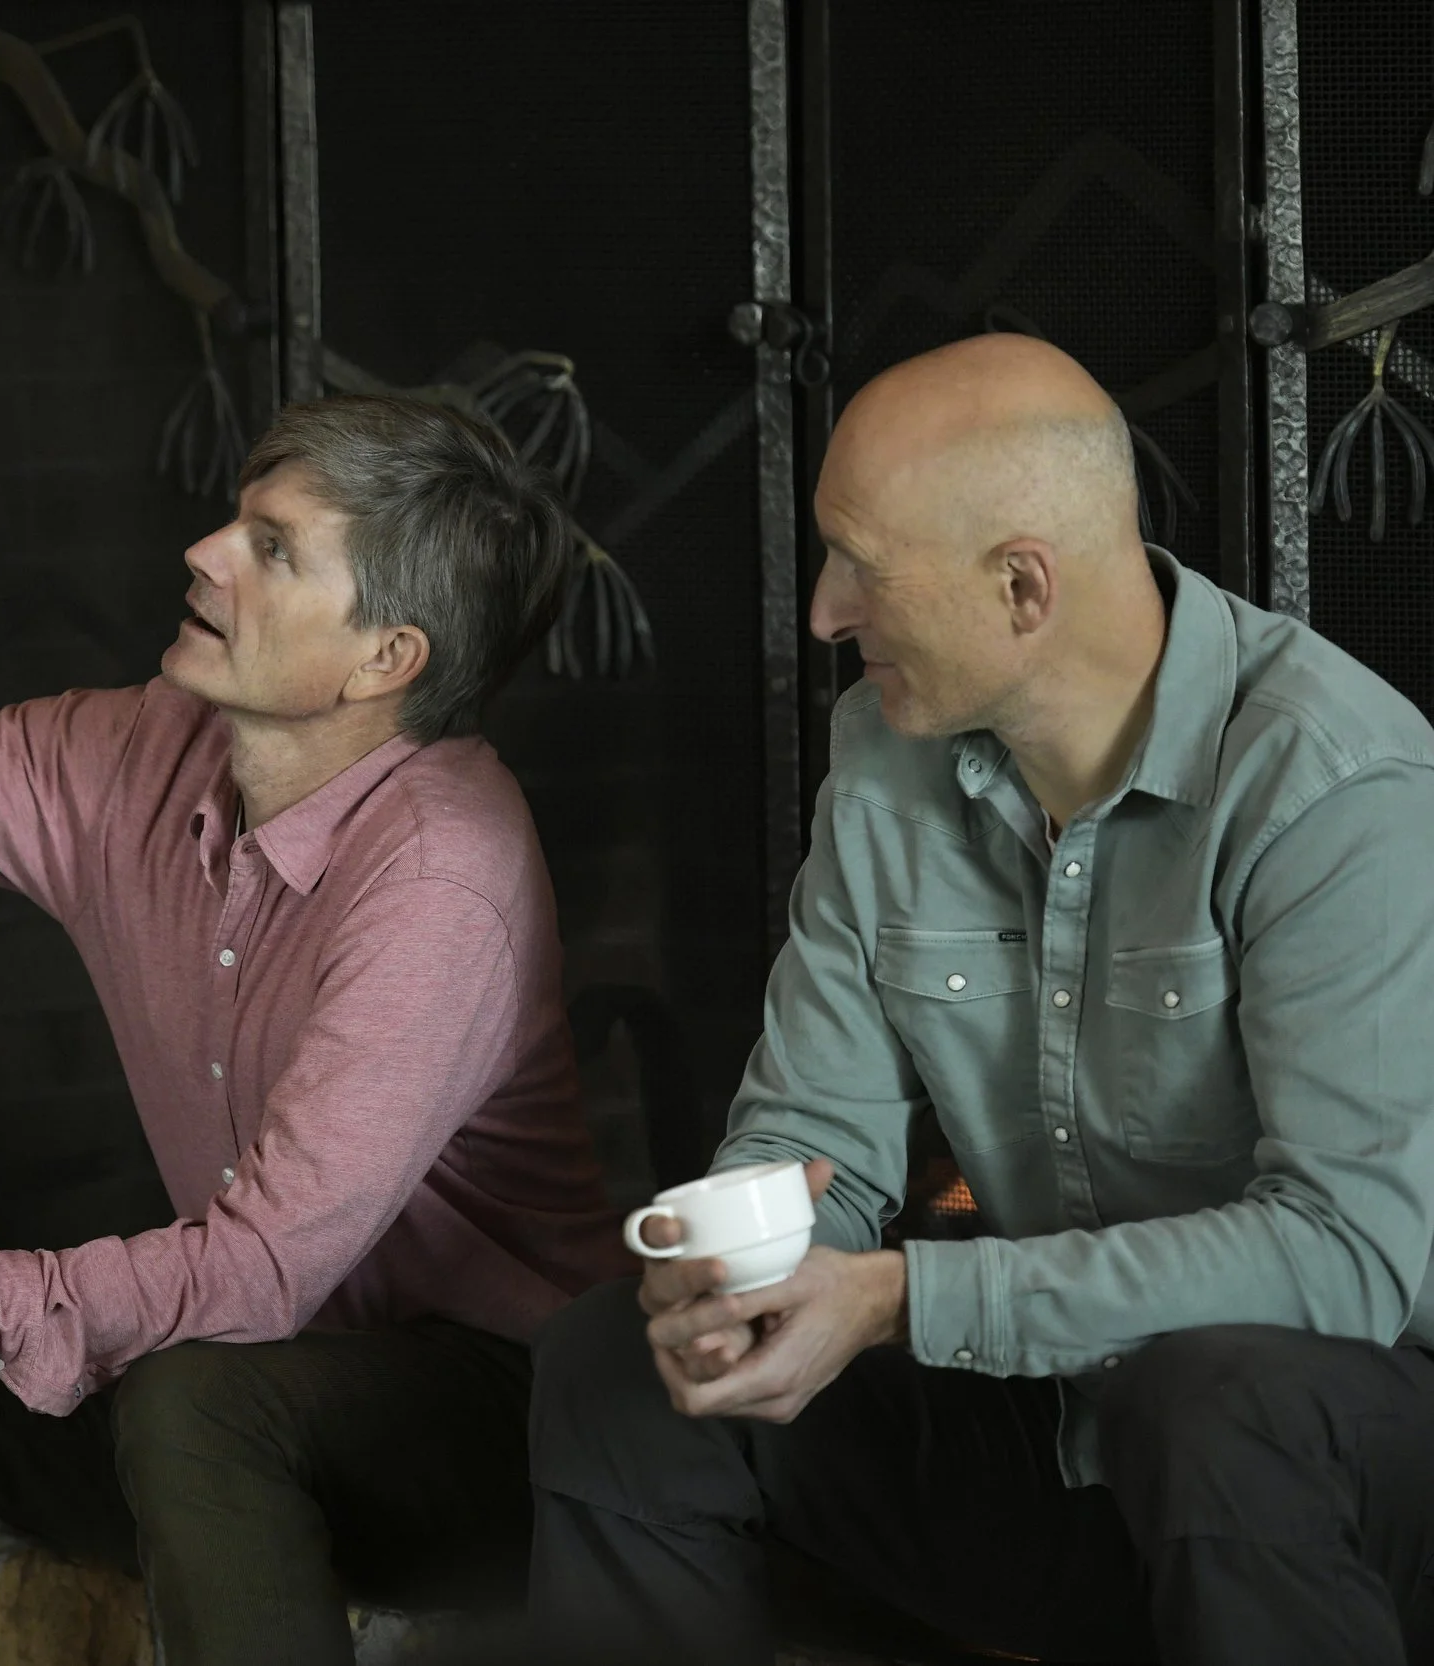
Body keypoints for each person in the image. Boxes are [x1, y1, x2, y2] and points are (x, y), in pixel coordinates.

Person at [0, 328, 620, 1665]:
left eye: (273, 547)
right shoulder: (140, 757)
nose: (205, 551)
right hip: (241, 1404)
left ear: (385, 660)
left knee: (191, 1397)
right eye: (237, 522)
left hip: (499, 1439)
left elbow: (259, 1271)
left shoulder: (443, 875)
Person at [528, 333, 1434, 1666]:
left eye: (860, 565)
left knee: (1213, 1395)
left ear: (1022, 585)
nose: (825, 609)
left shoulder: (1333, 788)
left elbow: (1346, 1258)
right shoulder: (886, 764)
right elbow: (809, 1136)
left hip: (1339, 1471)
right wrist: (737, 1266)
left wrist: (901, 1301)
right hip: (1061, 1440)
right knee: (621, 1368)